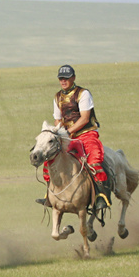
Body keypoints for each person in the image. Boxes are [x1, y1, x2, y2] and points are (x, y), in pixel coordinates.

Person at [39, 65, 111, 210]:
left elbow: (85, 118)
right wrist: (59, 132)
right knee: (50, 159)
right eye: (61, 78)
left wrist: (68, 131)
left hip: (86, 134)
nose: (63, 81)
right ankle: (50, 195)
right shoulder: (57, 97)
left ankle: (100, 196)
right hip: (67, 137)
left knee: (94, 159)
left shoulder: (83, 94)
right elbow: (57, 120)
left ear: (73, 78)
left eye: (66, 78)